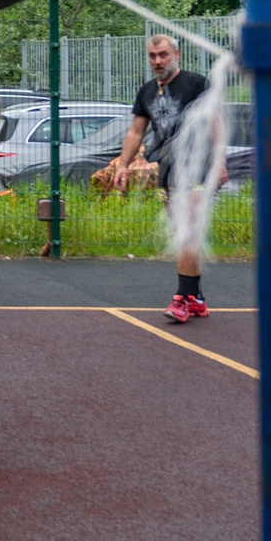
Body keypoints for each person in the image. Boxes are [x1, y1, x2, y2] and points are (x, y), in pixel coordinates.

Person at [95, 33, 216, 323]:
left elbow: (216, 123)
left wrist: (220, 163)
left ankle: (182, 298)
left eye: (163, 55)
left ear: (177, 54)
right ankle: (196, 297)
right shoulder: (147, 91)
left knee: (187, 232)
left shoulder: (196, 84)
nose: (158, 61)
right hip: (168, 172)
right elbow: (136, 131)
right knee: (184, 235)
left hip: (197, 168)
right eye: (153, 56)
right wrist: (122, 165)